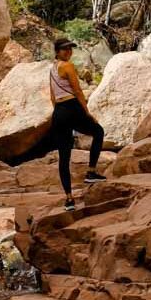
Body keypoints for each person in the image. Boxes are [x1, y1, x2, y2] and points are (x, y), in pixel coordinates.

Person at [49, 37, 106, 211]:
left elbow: (52, 96)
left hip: (59, 111)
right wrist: (87, 112)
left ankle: (69, 199)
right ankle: (91, 172)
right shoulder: (67, 66)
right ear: (58, 51)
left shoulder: (52, 69)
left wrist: (59, 113)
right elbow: (77, 90)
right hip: (72, 107)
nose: (69, 52)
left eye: (70, 49)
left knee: (64, 156)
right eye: (65, 49)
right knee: (98, 132)